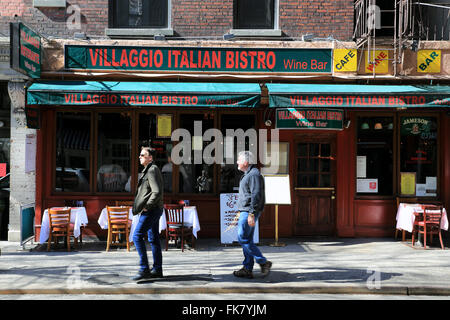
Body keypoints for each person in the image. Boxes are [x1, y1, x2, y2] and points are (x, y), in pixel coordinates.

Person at [233, 151, 272, 279]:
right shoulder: (249, 174)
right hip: (246, 211)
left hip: (249, 212)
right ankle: (247, 268)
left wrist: (251, 213)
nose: (237, 162)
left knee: (242, 238)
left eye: (239, 160)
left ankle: (263, 262)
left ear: (246, 162)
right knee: (247, 240)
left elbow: (256, 195)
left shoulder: (254, 174)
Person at [131, 147, 164, 281]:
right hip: (154, 209)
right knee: (153, 239)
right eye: (140, 155)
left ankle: (144, 268)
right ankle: (157, 269)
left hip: (151, 210)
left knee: (137, 236)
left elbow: (156, 191)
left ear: (150, 157)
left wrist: (147, 206)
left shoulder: (152, 170)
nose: (140, 157)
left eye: (143, 155)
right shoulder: (149, 170)